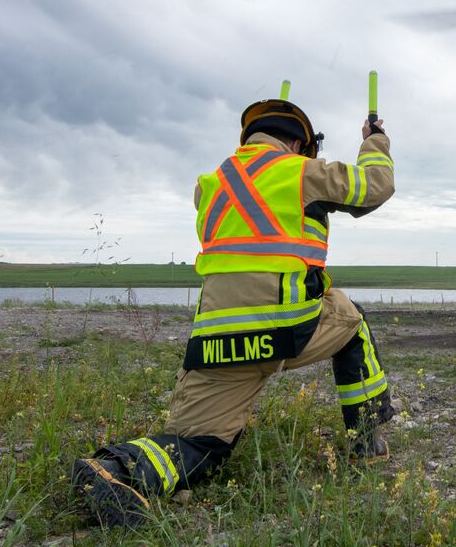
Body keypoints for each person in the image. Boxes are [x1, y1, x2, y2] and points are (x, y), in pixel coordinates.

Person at [70, 96, 396, 528]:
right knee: (350, 319)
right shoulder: (300, 172)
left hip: (217, 342)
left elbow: (253, 223)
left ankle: (114, 469)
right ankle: (365, 443)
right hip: (284, 332)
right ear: (299, 144)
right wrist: (375, 140)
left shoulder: (209, 185)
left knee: (198, 445)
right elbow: (375, 186)